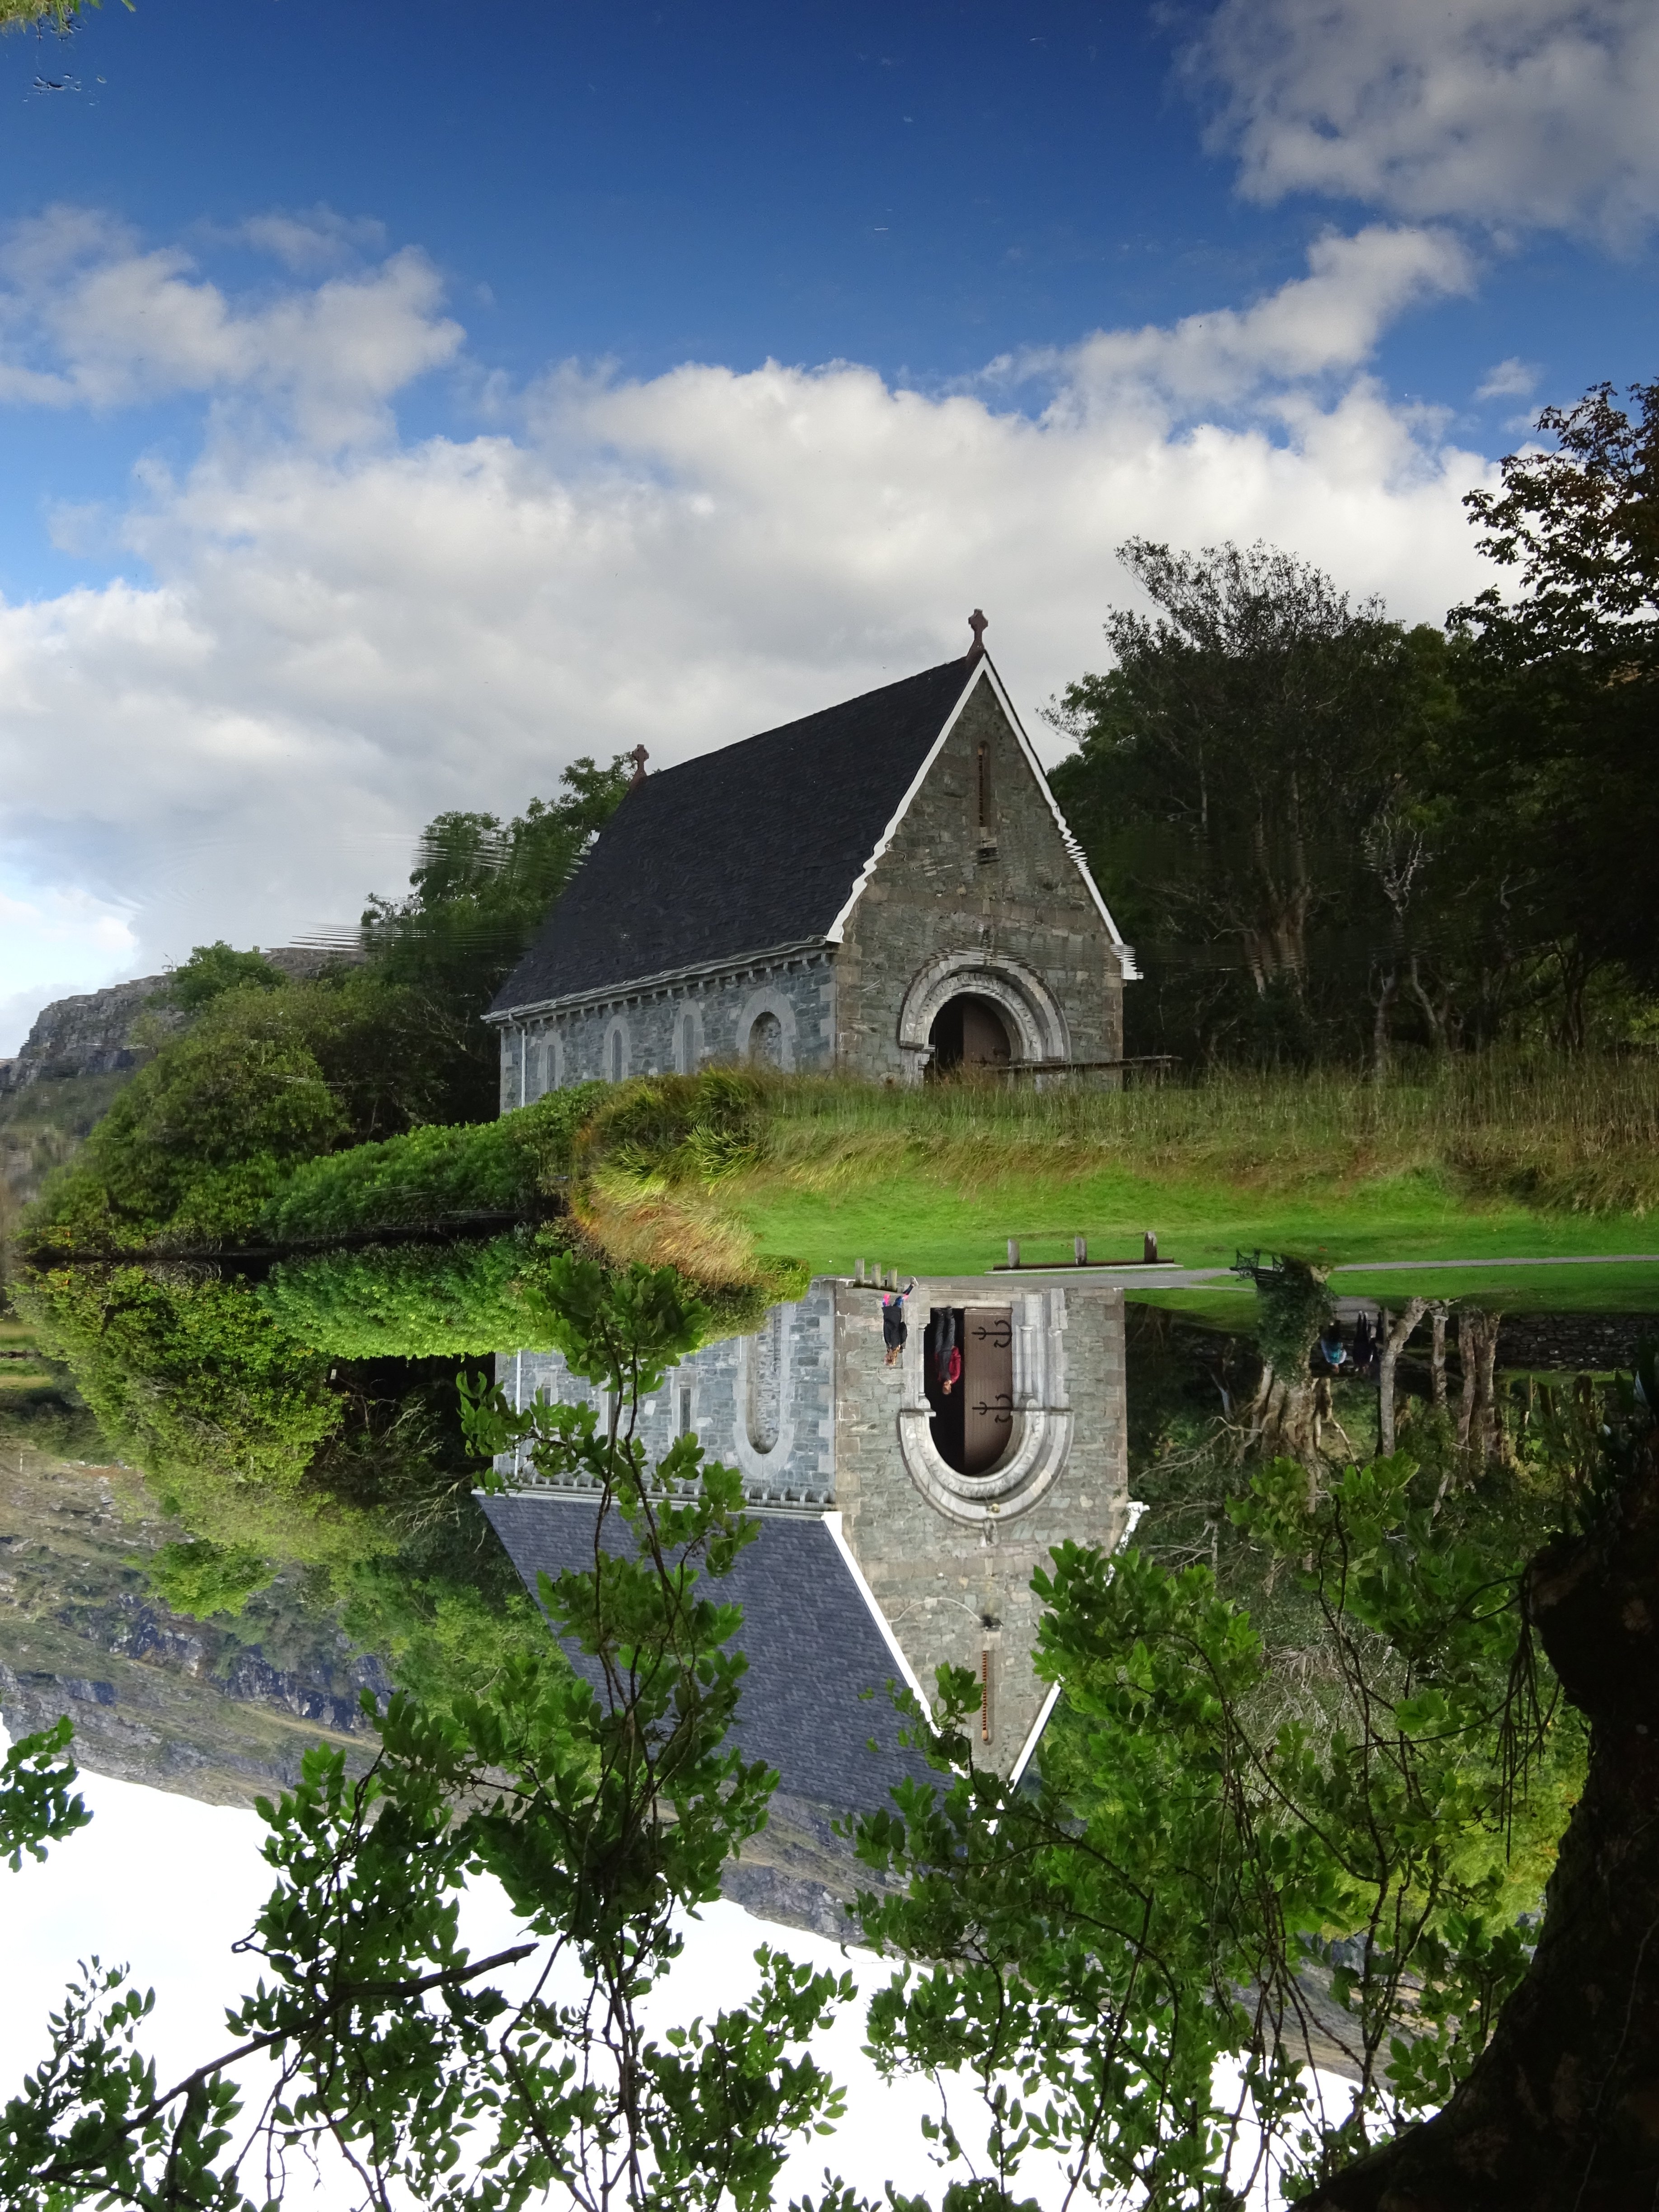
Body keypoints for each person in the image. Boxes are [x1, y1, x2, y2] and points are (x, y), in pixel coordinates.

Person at [882, 1279, 917, 1367]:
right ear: (890, 1358)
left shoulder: (890, 1347)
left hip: (892, 1318)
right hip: (893, 1318)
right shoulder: (895, 1344)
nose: (885, 1358)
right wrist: (887, 1323)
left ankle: (910, 1286)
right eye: (886, 1359)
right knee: (887, 1300)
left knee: (898, 1300)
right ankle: (889, 1283)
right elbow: (894, 1330)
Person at [932, 1307, 961, 1395]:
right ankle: (950, 1314)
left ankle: (941, 1315)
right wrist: (955, 1350)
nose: (944, 1384)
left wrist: (936, 1355)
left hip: (940, 1352)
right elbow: (958, 1361)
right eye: (946, 1386)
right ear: (950, 1387)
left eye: (943, 1386)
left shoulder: (941, 1378)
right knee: (951, 1332)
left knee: (939, 1334)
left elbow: (938, 1366)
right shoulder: (955, 1376)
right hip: (949, 1351)